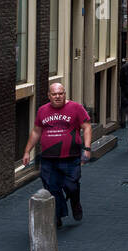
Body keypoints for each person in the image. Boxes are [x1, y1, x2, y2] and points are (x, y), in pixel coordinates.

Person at [21, 83, 92, 228]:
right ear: (49, 96)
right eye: (54, 94)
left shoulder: (76, 108)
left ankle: (75, 202)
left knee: (71, 186)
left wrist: (87, 148)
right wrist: (27, 151)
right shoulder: (42, 110)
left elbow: (87, 126)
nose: (58, 96)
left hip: (70, 157)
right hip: (49, 159)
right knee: (52, 188)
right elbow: (36, 131)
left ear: (65, 94)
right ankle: (57, 215)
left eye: (61, 93)